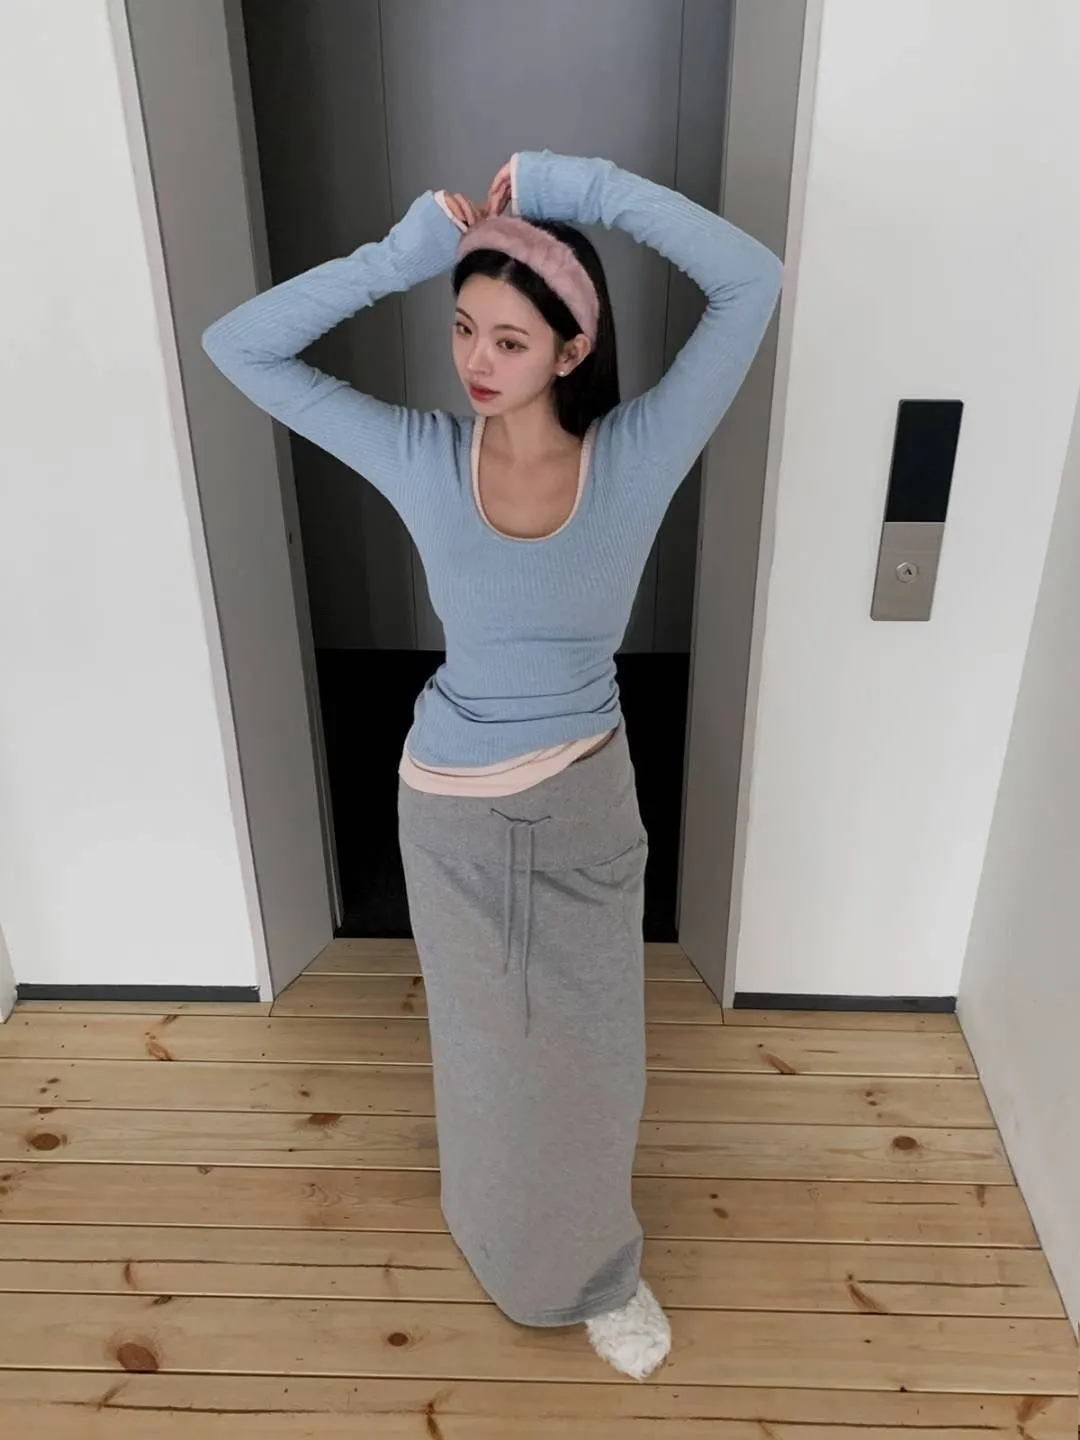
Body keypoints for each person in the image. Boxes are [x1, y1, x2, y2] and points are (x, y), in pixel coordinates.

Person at [203, 149, 782, 1380]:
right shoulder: (423, 456)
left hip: (581, 805)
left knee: (593, 1066)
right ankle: (495, 1229)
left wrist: (579, 185)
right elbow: (237, 346)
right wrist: (404, 253)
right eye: (463, 327)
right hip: (449, 812)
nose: (477, 359)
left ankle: (598, 1274)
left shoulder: (636, 455)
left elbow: (752, 281)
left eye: (511, 340)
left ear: (573, 348)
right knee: (484, 1059)